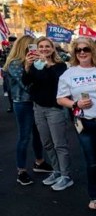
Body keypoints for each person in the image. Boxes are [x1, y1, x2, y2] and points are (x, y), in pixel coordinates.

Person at [56, 37, 96, 215]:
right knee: (92, 163)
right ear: (74, 53)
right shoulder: (68, 74)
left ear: (93, 50)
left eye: (86, 49)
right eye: (78, 50)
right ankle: (95, 196)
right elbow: (60, 99)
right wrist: (75, 104)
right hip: (84, 123)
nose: (82, 52)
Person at [21, 36, 73, 191]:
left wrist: (47, 64)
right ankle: (57, 171)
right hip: (38, 108)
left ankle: (66, 175)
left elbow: (56, 81)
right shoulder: (36, 65)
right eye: (40, 47)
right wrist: (27, 67)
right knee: (47, 144)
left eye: (47, 46)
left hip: (54, 109)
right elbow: (26, 82)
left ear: (52, 48)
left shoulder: (60, 65)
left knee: (59, 144)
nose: (44, 49)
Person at [3, 35, 53, 186]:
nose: (38, 49)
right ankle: (21, 171)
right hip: (23, 103)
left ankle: (39, 162)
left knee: (38, 134)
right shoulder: (15, 63)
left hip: (34, 102)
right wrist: (32, 69)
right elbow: (27, 85)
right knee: (24, 136)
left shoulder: (34, 61)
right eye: (34, 46)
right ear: (25, 47)